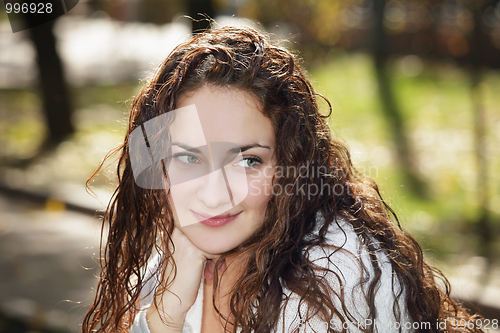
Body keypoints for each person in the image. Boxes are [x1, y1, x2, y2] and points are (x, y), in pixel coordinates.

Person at [82, 26, 483, 333]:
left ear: (289, 166)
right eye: (188, 157)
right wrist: (165, 313)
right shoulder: (184, 250)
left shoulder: (333, 277)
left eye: (247, 161)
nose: (214, 193)